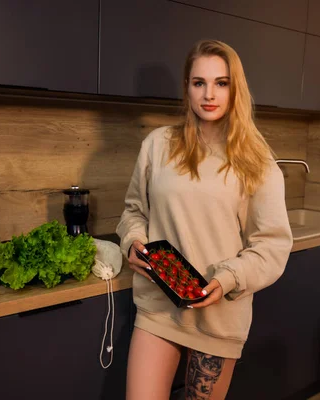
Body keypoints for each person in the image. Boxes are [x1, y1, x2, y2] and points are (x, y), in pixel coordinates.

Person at [116, 39, 294, 400]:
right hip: (159, 306)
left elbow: (273, 246)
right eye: (199, 83)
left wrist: (228, 277)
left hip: (219, 316)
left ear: (235, 88)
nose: (209, 93)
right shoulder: (157, 144)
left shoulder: (257, 162)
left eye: (221, 83)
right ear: (187, 88)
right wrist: (132, 242)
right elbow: (134, 210)